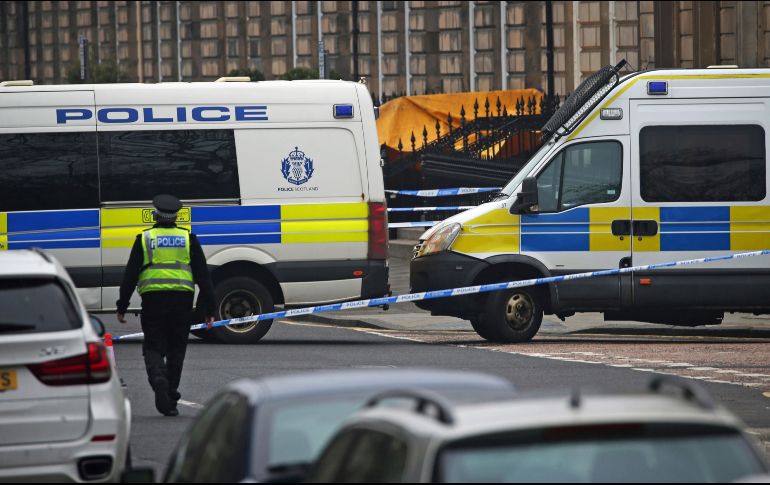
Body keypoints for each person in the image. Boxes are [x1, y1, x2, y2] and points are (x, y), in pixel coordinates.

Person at [116, 194, 216, 417]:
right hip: (182, 301)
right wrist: (210, 309)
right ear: (176, 217)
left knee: (153, 347)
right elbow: (204, 277)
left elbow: (130, 276)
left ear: (155, 215)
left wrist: (122, 306)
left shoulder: (145, 239)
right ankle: (170, 397)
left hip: (153, 301)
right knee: (177, 349)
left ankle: (158, 378)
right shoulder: (188, 239)